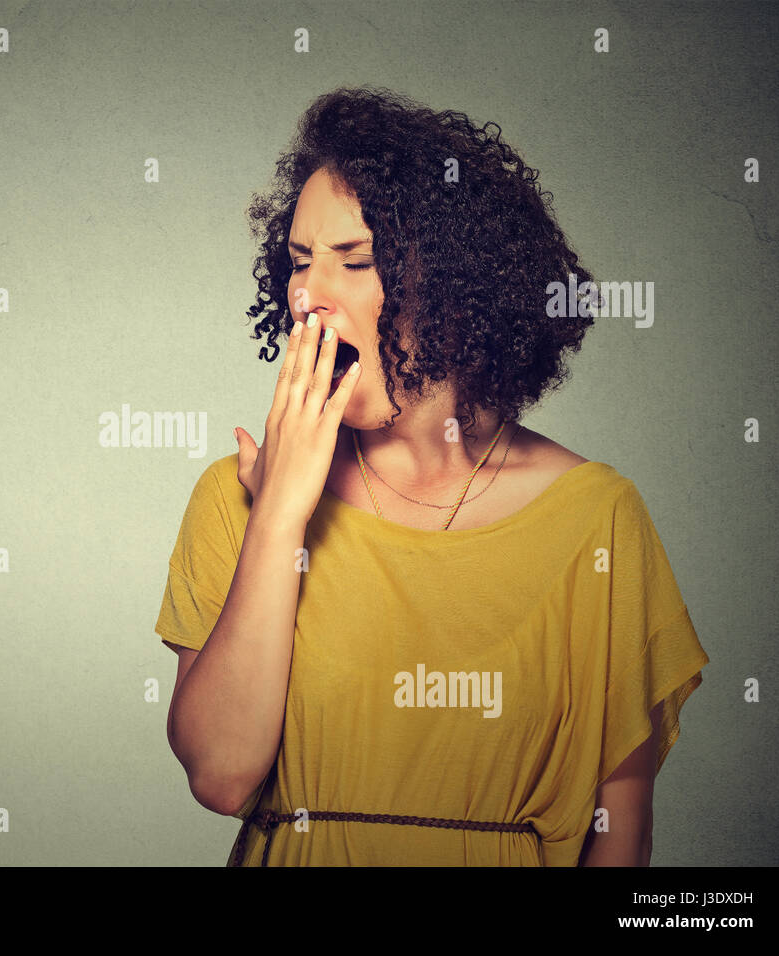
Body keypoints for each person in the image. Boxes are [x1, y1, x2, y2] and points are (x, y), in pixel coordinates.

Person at [154, 87, 709, 866]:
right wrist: (280, 514)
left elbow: (623, 835)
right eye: (300, 262)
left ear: (456, 289)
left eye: (356, 260)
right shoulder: (238, 497)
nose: (308, 295)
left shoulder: (598, 520)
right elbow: (219, 775)